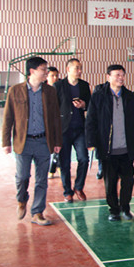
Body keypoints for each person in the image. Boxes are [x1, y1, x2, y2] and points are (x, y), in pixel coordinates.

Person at [2, 56, 62, 226]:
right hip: (24, 142)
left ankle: (37, 212)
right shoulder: (15, 91)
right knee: (22, 177)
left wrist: (57, 141)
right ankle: (22, 200)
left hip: (43, 141)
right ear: (32, 71)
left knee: (42, 180)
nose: (46, 72)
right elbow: (8, 117)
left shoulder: (50, 91)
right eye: (43, 69)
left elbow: (55, 117)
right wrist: (6, 142)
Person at [85, 64, 134, 221]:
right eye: (117, 75)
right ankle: (114, 210)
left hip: (126, 148)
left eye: (122, 75)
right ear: (108, 77)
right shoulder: (99, 97)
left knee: (128, 180)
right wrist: (91, 141)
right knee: (110, 183)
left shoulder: (130, 96)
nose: (121, 78)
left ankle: (125, 207)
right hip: (107, 148)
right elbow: (91, 120)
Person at [54, 58, 91, 202]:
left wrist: (83, 105)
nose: (79, 71)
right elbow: (54, 108)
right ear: (68, 69)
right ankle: (67, 191)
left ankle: (79, 187)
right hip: (64, 130)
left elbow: (90, 105)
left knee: (84, 159)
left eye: (80, 68)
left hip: (80, 129)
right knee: (65, 163)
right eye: (77, 68)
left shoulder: (84, 85)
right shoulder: (58, 86)